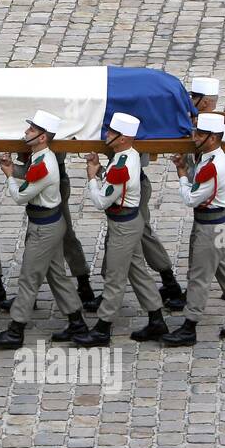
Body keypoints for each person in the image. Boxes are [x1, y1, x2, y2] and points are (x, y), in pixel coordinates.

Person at [0, 111, 86, 350]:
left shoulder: (43, 165)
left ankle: (15, 330)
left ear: (41, 137)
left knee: (29, 278)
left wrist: (9, 176)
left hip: (44, 228)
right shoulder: (40, 158)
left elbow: (20, 196)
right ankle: (77, 322)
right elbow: (30, 174)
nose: (26, 132)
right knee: (56, 275)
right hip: (46, 224)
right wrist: (13, 168)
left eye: (31, 130)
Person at [162, 113, 225, 345]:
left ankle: (189, 325)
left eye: (201, 134)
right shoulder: (210, 159)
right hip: (219, 224)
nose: (194, 137)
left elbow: (191, 198)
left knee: (199, 276)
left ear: (213, 138)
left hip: (210, 228)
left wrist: (182, 175)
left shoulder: (211, 167)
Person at [74, 114, 166, 347]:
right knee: (137, 271)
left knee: (115, 277)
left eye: (111, 133)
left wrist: (92, 177)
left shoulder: (121, 166)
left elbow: (101, 201)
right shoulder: (128, 157)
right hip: (129, 223)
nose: (107, 136)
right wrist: (101, 169)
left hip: (123, 226)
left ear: (123, 138)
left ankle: (103, 328)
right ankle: (157, 319)